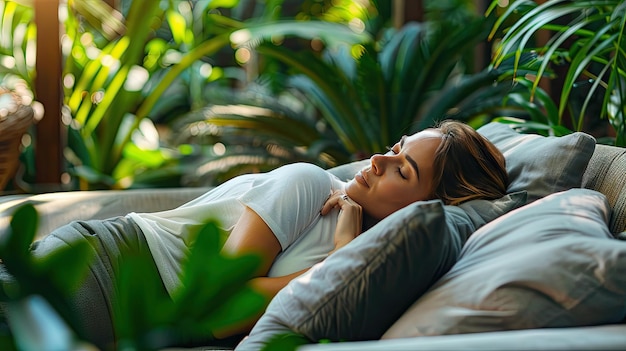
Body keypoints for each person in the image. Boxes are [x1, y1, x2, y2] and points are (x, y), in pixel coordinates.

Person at [1, 120, 508, 349]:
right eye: (397, 147)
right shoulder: (307, 184)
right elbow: (222, 309)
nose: (379, 159)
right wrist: (334, 259)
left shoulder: (375, 253)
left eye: (403, 170)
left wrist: (345, 250)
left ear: (431, 208)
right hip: (106, 269)